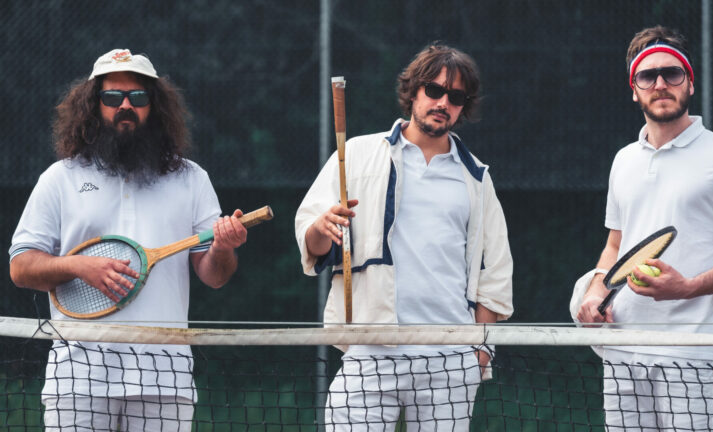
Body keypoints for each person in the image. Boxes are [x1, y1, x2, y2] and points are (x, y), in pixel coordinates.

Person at [9, 49, 249, 431]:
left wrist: (223, 247)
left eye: (137, 97)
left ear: (155, 106)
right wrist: (77, 266)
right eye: (112, 97)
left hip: (164, 380)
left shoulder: (191, 178)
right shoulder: (59, 178)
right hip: (77, 379)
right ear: (92, 104)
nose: (125, 106)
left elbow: (214, 275)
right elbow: (21, 266)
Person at [295, 44, 513, 430]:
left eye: (456, 96)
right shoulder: (357, 155)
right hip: (370, 348)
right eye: (434, 90)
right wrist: (321, 228)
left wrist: (480, 347)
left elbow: (496, 269)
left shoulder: (477, 177)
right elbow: (312, 243)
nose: (443, 101)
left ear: (464, 106)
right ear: (413, 91)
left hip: (450, 356)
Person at [576, 26, 713, 430]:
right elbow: (616, 246)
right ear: (634, 89)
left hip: (693, 355)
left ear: (689, 82)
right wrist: (596, 292)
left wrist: (689, 287)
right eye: (648, 76)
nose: (660, 83)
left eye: (672, 73)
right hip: (623, 350)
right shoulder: (623, 160)